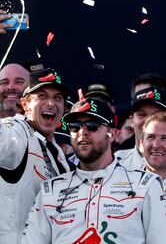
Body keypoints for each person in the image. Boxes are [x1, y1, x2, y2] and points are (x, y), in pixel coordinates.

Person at [22, 97, 166, 243]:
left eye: (92, 125)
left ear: (113, 134)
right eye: (74, 126)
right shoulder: (50, 190)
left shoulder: (146, 185)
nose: (82, 132)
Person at [0, 68, 71, 244]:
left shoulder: (57, 152)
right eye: (42, 96)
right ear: (25, 104)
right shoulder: (17, 129)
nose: (51, 103)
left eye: (58, 98)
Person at [114, 84, 165, 171]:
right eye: (141, 115)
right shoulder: (114, 163)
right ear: (131, 120)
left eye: (156, 115)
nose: (148, 121)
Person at [141, 112, 166, 181]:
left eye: (164, 138)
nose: (156, 145)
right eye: (151, 137)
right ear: (141, 144)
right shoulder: (124, 181)